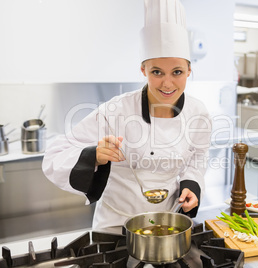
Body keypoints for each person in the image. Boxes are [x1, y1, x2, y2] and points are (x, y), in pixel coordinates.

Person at [42, 0, 211, 232]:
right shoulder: (116, 111)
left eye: (178, 72)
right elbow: (54, 155)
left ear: (189, 71)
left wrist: (192, 184)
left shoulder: (198, 112)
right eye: (157, 72)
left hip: (169, 223)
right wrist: (95, 156)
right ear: (143, 70)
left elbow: (198, 155)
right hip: (116, 226)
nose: (168, 83)